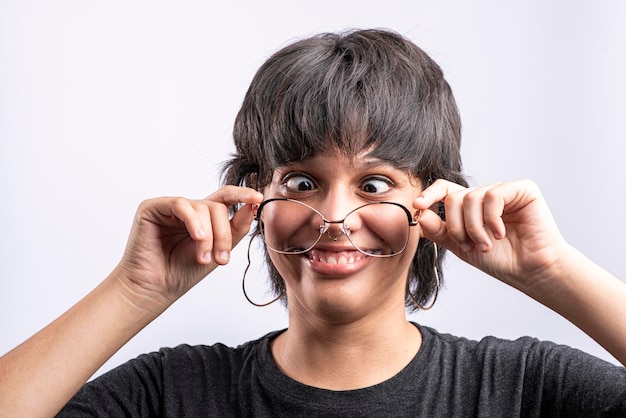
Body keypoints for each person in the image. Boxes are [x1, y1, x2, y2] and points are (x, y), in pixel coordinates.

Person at [1, 28, 625, 417]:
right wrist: (133, 291)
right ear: (253, 199)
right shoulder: (170, 393)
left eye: (374, 184)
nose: (333, 219)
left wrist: (553, 270)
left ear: (431, 202)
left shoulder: (525, 388)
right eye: (301, 182)